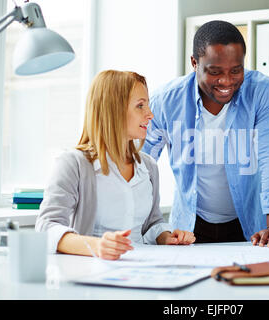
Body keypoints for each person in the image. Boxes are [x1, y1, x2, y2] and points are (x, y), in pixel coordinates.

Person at [142, 20, 269, 247]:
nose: (226, 81)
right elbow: (140, 165)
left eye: (236, 70)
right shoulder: (165, 101)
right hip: (188, 227)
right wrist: (142, 228)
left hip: (248, 225)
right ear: (194, 62)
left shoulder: (263, 93)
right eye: (215, 72)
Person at [35, 70, 195, 260]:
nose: (150, 114)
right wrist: (96, 245)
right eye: (140, 106)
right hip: (93, 270)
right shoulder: (74, 164)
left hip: (143, 268)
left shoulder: (149, 166)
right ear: (114, 109)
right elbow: (47, 227)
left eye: (148, 105)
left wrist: (166, 237)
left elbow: (152, 223)